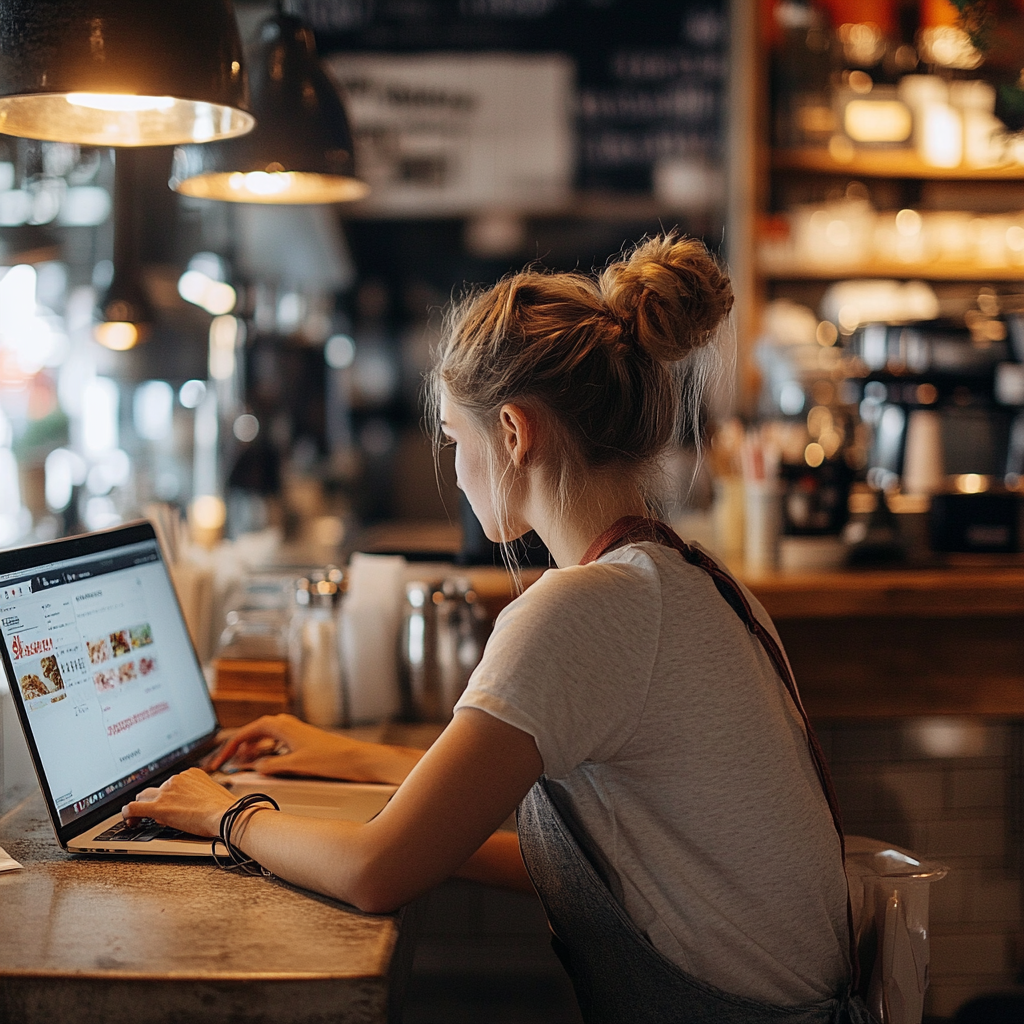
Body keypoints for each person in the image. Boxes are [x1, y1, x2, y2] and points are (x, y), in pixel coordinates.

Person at [125, 234, 866, 1023]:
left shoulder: (580, 612)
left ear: (513, 431)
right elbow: (604, 864)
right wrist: (351, 760)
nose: (455, 466)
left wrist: (224, 814)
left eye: (454, 439)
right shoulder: (698, 582)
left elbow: (376, 873)